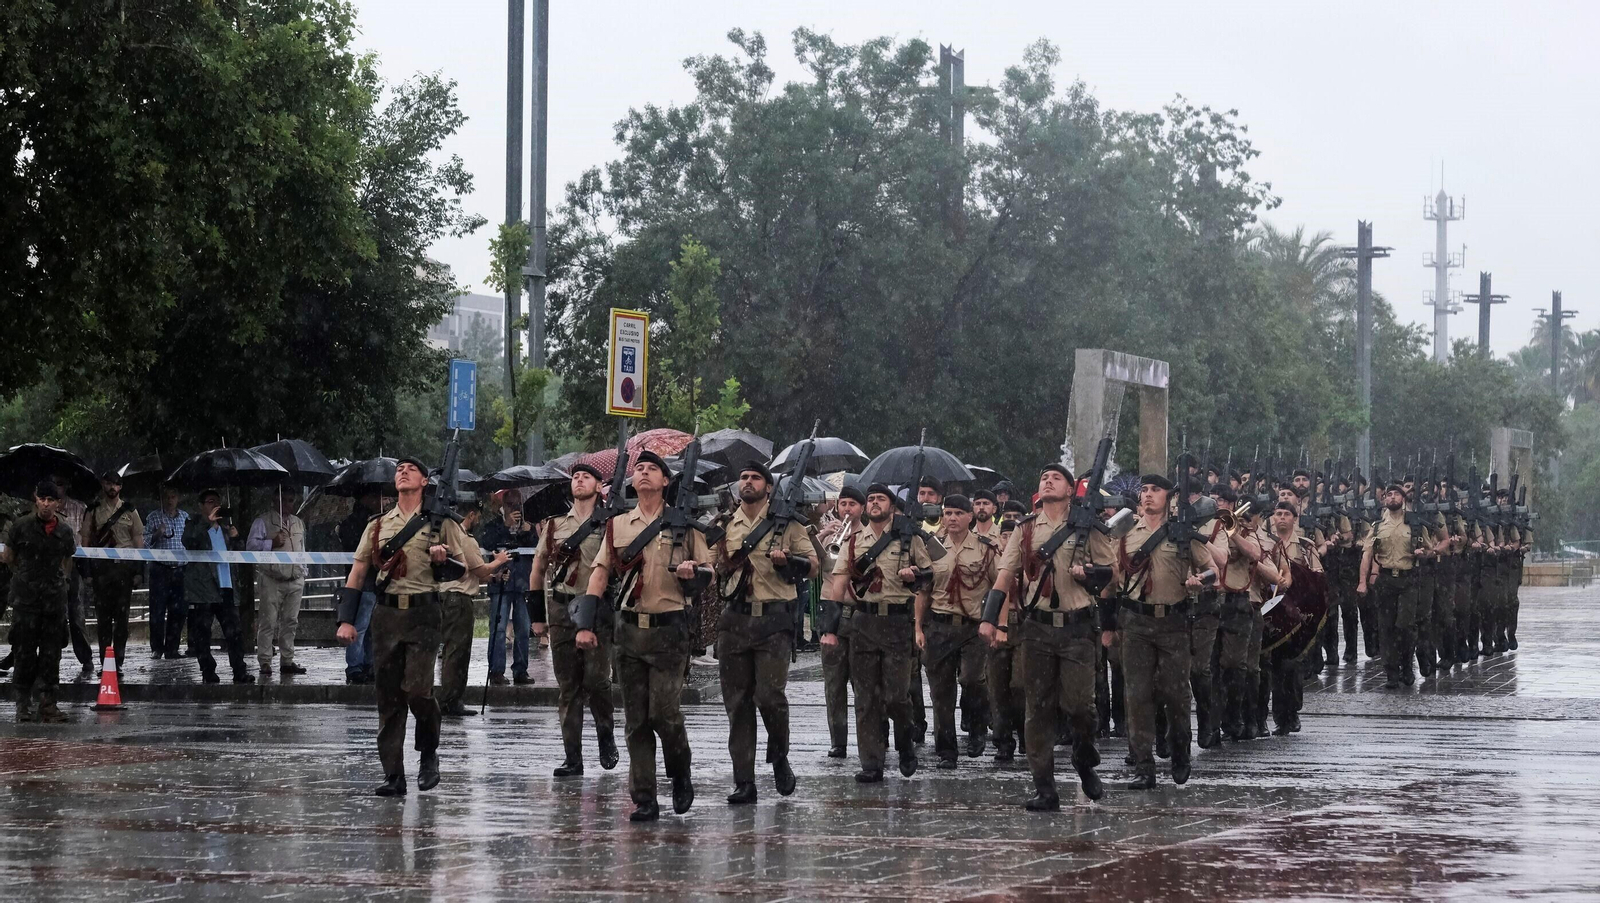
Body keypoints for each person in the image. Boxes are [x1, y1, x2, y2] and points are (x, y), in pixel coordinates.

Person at [334, 457, 506, 797]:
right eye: (399, 469)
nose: (403, 472)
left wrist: (445, 559)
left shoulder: (443, 523)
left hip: (424, 614)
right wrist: (346, 619)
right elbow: (357, 573)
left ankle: (428, 753)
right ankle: (394, 775)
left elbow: (470, 569)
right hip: (386, 616)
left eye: (411, 469)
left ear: (425, 481)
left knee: (418, 690)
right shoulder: (378, 525)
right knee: (388, 698)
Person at [570, 450, 708, 822]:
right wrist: (584, 623)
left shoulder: (684, 525)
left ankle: (680, 773)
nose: (644, 473)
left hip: (670, 632)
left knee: (665, 713)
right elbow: (599, 573)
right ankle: (644, 796)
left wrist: (695, 573)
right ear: (632, 481)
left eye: (653, 469)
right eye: (639, 470)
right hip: (629, 632)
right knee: (635, 720)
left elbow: (709, 575)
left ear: (666, 481)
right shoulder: (618, 525)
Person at [979, 464, 1112, 809]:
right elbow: (1004, 575)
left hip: (1078, 627)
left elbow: (1111, 577)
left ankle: (1084, 760)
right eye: (1043, 477)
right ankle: (1045, 787)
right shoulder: (1024, 530)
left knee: (1081, 706)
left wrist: (1090, 574)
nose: (1048, 480)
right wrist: (990, 619)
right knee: (1036, 708)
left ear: (1071, 489)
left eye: (1056, 477)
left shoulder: (1088, 525)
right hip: (1036, 628)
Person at [711, 461, 816, 804]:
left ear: (768, 487)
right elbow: (710, 565)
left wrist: (789, 561)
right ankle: (744, 781)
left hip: (774, 621)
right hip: (735, 621)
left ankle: (779, 755)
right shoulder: (725, 524)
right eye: (743, 477)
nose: (748, 481)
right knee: (738, 705)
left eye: (755, 477)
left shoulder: (787, 522)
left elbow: (813, 565)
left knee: (769, 696)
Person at [820, 483, 933, 784]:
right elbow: (839, 582)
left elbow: (929, 575)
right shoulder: (854, 540)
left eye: (880, 499)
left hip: (897, 624)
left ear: (892, 506)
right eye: (870, 499)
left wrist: (915, 576)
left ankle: (906, 742)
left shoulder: (909, 538)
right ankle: (871, 762)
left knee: (897, 696)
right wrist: (829, 628)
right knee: (866, 698)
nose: (873, 503)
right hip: (864, 623)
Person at [1108, 474, 1213, 790]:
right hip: (1136, 623)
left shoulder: (1182, 533)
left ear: (1169, 496)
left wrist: (1200, 580)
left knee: (1176, 694)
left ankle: (1180, 749)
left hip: (1173, 623)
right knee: (1137, 695)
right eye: (1145, 490)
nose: (1148, 495)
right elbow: (1111, 576)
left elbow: (1212, 569)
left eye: (1156, 490)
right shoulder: (1125, 532)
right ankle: (1144, 766)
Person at [529, 462, 619, 776]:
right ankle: (573, 757)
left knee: (596, 680)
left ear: (599, 486)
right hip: (560, 607)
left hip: (595, 610)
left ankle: (605, 734)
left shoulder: (611, 523)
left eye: (587, 477)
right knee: (568, 686)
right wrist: (537, 617)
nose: (579, 480)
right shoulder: (555, 525)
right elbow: (538, 570)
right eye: (576, 477)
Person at [919, 494, 994, 768]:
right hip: (939, 626)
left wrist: (997, 623)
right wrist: (918, 627)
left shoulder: (985, 548)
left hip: (972, 627)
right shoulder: (933, 547)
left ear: (970, 516)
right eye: (947, 513)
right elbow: (924, 591)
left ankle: (977, 726)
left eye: (958, 513)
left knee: (972, 680)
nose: (952, 518)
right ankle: (947, 750)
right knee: (941, 692)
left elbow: (1000, 586)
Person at [3, 482, 77, 723]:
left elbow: (67, 559)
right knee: (23, 652)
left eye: (51, 500)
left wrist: (60, 581)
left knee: (51, 653)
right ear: (36, 499)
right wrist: (26, 577)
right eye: (42, 499)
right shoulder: (21, 526)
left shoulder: (64, 531)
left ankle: (48, 704)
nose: (46, 504)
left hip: (53, 601)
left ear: (58, 503)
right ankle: (23, 704)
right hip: (26, 601)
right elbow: (9, 558)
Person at [1214, 496, 1276, 742]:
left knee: (1244, 668)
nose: (1220, 506)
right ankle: (1218, 723)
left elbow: (1264, 564)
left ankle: (1250, 719)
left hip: (1245, 605)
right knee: (1210, 669)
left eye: (1224, 502)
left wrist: (1232, 533)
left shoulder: (1245, 532)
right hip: (1213, 603)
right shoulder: (1205, 529)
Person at [182, 490, 255, 685]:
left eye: (218, 502)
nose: (215, 505)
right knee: (203, 634)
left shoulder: (226, 528)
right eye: (210, 502)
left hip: (227, 587)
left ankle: (239, 671)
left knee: (234, 633)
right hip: (204, 590)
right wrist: (207, 522)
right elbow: (188, 542)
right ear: (201, 505)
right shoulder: (194, 524)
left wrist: (237, 537)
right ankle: (208, 672)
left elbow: (240, 555)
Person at [1357, 482, 1426, 689]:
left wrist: (1425, 553)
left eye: (1397, 494)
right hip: (1386, 579)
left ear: (1403, 499)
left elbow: (1432, 549)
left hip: (1408, 578)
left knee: (1405, 625)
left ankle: (1406, 664)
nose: (1392, 497)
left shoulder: (1414, 523)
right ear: (1384, 499)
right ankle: (1391, 672)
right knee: (1386, 627)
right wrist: (1362, 582)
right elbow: (1367, 554)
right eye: (1389, 494)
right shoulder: (1377, 526)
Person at [816, 484, 864, 758]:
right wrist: (823, 537)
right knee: (834, 683)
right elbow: (817, 568)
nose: (847, 509)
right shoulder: (830, 536)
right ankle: (838, 741)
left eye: (852, 504)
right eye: (843, 504)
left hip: (858, 612)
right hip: (832, 613)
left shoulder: (870, 537)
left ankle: (871, 738)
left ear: (862, 508)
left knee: (864, 683)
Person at [1267, 500, 1321, 734]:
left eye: (1286, 514)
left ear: (1294, 519)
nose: (1281, 518)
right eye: (1277, 514)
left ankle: (1293, 710)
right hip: (1273, 611)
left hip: (1298, 611)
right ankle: (1280, 716)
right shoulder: (1266, 544)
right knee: (1276, 665)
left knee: (1294, 663)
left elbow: (1318, 576)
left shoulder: (1305, 546)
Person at [84, 470, 143, 671]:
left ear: (121, 487)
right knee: (103, 621)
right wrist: (87, 574)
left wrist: (138, 572)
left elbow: (138, 543)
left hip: (123, 570)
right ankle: (105, 662)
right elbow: (85, 543)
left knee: (122, 621)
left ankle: (118, 661)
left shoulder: (130, 511)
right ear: (103, 484)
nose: (112, 488)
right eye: (109, 483)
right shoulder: (92, 510)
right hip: (101, 571)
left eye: (116, 484)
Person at [439, 499, 493, 717]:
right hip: (459, 599)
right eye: (477, 516)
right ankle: (450, 700)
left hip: (447, 597)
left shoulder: (449, 534)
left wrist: (494, 576)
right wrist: (499, 561)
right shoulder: (465, 538)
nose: (478, 520)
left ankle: (450, 698)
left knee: (452, 650)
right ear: (471, 515)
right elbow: (479, 570)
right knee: (457, 652)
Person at [246, 493, 307, 676]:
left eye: (292, 499)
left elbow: (302, 547)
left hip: (295, 579)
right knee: (268, 621)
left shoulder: (298, 522)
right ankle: (265, 661)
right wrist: (271, 543)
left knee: (290, 621)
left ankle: (287, 661)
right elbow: (250, 547)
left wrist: (304, 570)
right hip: (272, 579)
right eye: (287, 499)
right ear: (276, 500)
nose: (290, 503)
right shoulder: (262, 521)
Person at [479, 495, 536, 686]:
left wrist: (528, 531)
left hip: (522, 582)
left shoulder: (528, 524)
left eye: (518, 504)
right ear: (503, 505)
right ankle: (496, 671)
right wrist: (505, 525)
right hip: (500, 581)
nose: (515, 508)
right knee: (499, 627)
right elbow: (486, 543)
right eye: (511, 504)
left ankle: (521, 670)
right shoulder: (494, 523)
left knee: (522, 628)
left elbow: (537, 546)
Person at [337, 489, 384, 684]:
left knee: (370, 627)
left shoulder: (375, 522)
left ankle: (367, 663)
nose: (378, 500)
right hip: (363, 583)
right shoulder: (357, 523)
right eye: (374, 495)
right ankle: (355, 666)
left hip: (373, 583)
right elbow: (356, 550)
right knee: (361, 626)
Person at [142, 485, 191, 659]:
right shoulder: (153, 517)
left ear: (178, 498)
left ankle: (172, 648)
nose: (170, 500)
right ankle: (157, 648)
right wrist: (157, 534)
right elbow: (144, 543)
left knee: (178, 611)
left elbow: (191, 541)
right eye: (167, 497)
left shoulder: (186, 517)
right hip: (160, 569)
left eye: (173, 496)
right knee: (157, 610)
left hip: (180, 569)